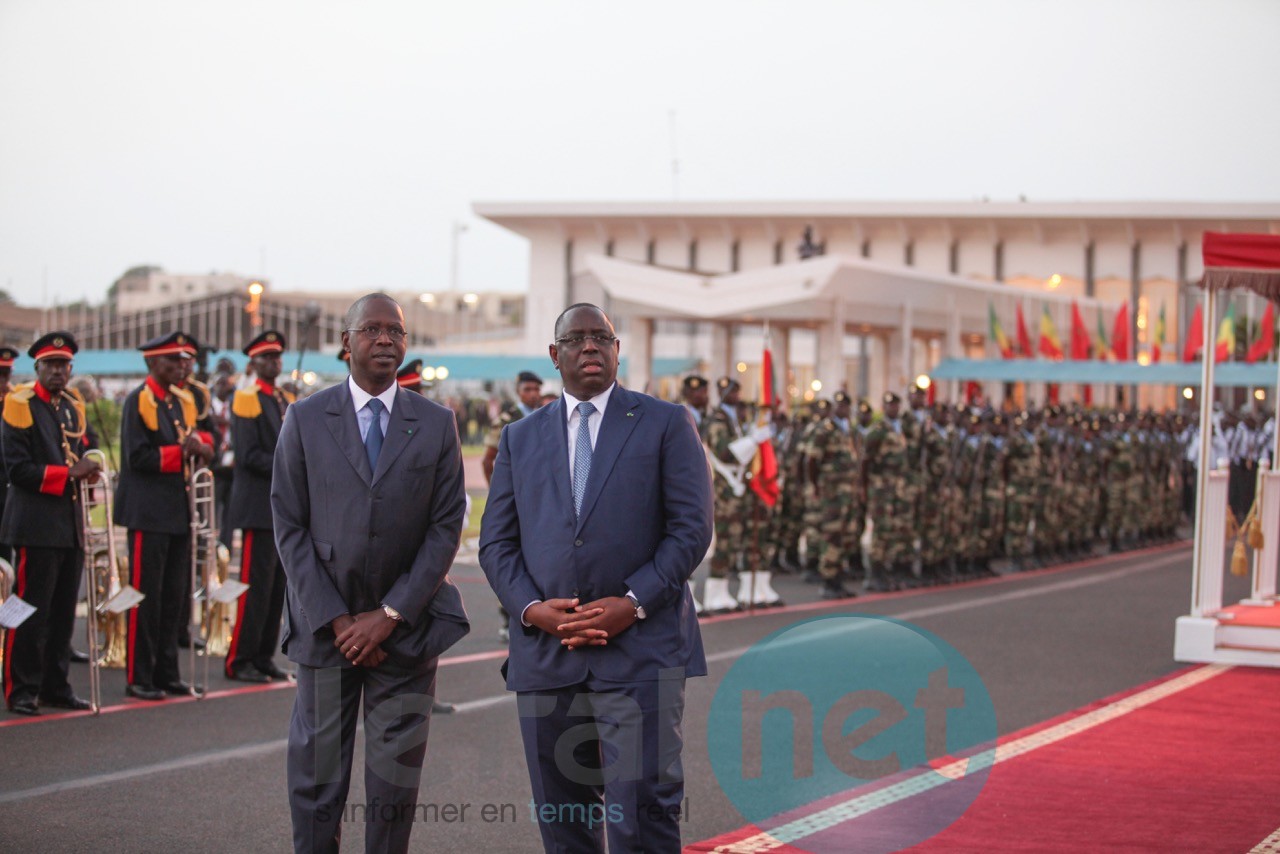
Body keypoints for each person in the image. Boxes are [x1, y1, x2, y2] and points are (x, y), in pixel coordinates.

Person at [479, 302, 713, 853]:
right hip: (547, 656)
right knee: (564, 824)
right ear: (554, 354)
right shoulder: (519, 437)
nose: (591, 347)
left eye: (602, 338)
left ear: (616, 349)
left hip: (640, 650)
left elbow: (690, 530)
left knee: (642, 817)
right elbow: (497, 543)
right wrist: (532, 610)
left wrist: (631, 603)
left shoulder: (664, 422)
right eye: (577, 338)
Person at [273, 293, 469, 854]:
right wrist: (339, 621)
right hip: (326, 633)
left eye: (396, 331)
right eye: (372, 329)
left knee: (393, 785)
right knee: (316, 781)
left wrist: (387, 616)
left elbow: (444, 527)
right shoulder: (306, 418)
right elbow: (288, 525)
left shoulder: (436, 423)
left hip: (404, 632)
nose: (385, 340)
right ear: (346, 343)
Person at [0, 333, 100, 715]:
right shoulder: (19, 404)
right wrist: (71, 472)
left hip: (69, 523)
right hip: (35, 523)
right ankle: (21, 688)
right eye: (50, 365)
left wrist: (90, 469)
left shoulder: (72, 406)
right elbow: (19, 469)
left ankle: (56, 685)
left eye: (64, 365)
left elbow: (84, 447)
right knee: (29, 610)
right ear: (37, 368)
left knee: (62, 614)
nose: (58, 371)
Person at [114, 331, 214, 701]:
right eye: (172, 360)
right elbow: (137, 458)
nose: (180, 366)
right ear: (152, 363)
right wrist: (181, 451)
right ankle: (140, 676)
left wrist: (199, 447)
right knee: (147, 597)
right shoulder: (139, 400)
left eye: (183, 359)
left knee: (174, 597)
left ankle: (167, 672)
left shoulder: (179, 401)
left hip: (177, 510)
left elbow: (201, 443)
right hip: (147, 512)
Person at [224, 330, 293, 683]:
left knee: (276, 588)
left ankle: (264, 655)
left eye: (277, 356)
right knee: (254, 587)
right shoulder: (247, 397)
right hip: (256, 505)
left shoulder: (281, 398)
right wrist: (290, 464)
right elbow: (248, 455)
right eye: (266, 357)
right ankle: (239, 658)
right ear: (253, 362)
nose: (274, 363)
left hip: (280, 508)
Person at [481, 369, 544, 642]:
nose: (533, 394)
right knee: (509, 556)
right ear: (518, 391)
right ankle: (509, 618)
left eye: (536, 389)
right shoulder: (508, 420)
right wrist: (498, 494)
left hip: (541, 501)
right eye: (528, 389)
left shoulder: (548, 415)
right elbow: (488, 460)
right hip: (515, 500)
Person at [0, 345, 17, 568]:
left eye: (5, 376)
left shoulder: (16, 404)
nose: (3, 382)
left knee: (6, 562)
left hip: (7, 498)